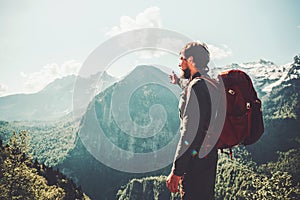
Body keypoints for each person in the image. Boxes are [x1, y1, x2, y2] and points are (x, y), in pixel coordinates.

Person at [166, 42, 218, 200]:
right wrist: (178, 82)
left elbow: (189, 134)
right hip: (209, 158)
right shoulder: (207, 82)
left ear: (191, 60)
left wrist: (177, 171)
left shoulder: (196, 88)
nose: (179, 63)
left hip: (196, 165)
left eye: (181, 59)